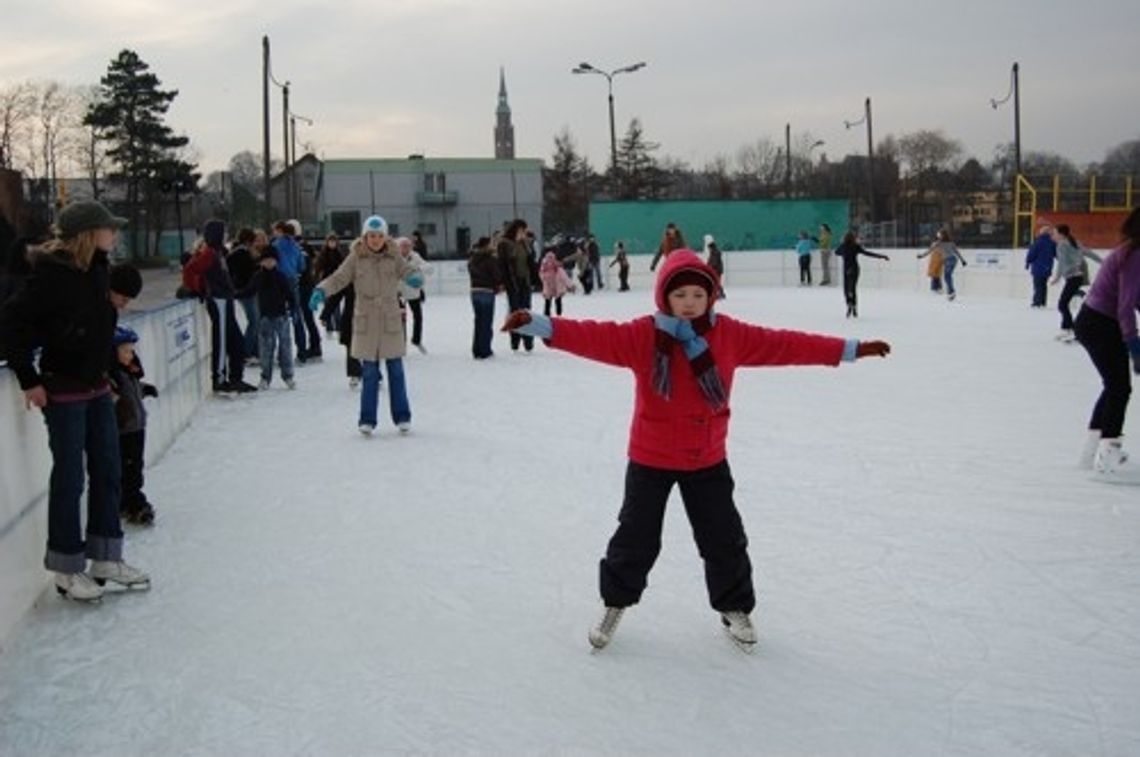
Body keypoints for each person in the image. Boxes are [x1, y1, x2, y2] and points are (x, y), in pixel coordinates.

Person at [500, 250, 891, 649]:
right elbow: (594, 335)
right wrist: (539, 324)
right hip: (651, 457)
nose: (689, 303)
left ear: (711, 297)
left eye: (698, 295)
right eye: (680, 294)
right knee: (635, 537)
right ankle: (615, 602)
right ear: (664, 297)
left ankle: (734, 608)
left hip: (706, 458)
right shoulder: (645, 335)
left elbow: (786, 344)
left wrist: (850, 348)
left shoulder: (730, 335)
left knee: (723, 537)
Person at [0, 200, 150, 601]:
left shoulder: (98, 269)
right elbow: (11, 323)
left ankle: (105, 556)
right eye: (109, 228)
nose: (115, 234)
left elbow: (100, 327)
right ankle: (67, 567)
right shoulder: (50, 278)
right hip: (62, 388)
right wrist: (28, 378)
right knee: (70, 476)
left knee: (108, 468)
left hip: (97, 386)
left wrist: (110, 373)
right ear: (88, 232)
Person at [309, 215, 423, 435]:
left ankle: (402, 416)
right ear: (365, 236)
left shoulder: (394, 255)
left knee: (396, 370)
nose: (375, 240)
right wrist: (321, 290)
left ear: (385, 237)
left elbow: (408, 271)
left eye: (380, 236)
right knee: (369, 373)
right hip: (366, 318)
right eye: (371, 236)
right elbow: (338, 278)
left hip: (389, 317)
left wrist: (414, 277)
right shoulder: (356, 257)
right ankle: (367, 419)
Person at [1073, 207, 1140, 480]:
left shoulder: (1130, 251)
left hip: (1095, 321)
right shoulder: (1135, 255)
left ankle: (1092, 452)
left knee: (1113, 385)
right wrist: (1134, 346)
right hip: (1100, 322)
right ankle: (1108, 457)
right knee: (1119, 388)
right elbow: (1125, 306)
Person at [184, 219, 255, 393]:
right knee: (222, 340)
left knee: (236, 341)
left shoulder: (218, 253)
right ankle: (219, 379)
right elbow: (190, 269)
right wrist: (198, 289)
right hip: (218, 301)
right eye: (224, 232)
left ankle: (236, 377)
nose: (226, 236)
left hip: (226, 299)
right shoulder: (209, 253)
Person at [108, 326, 158, 525]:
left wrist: (145, 389)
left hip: (136, 427)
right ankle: (134, 503)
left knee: (135, 466)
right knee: (127, 469)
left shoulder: (129, 372)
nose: (131, 355)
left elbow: (133, 391)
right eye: (126, 351)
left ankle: (127, 502)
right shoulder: (112, 376)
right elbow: (114, 399)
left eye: (132, 350)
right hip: (123, 430)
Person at [236, 247, 295, 390]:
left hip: (281, 316)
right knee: (266, 349)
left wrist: (293, 308)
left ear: (276, 261)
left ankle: (288, 376)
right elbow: (249, 290)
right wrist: (234, 293)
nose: (269, 263)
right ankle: (265, 377)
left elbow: (289, 294)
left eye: (271, 260)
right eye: (266, 260)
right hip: (265, 317)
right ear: (261, 262)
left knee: (285, 347)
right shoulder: (258, 277)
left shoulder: (281, 277)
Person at [1051, 224, 1102, 342]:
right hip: (1075, 277)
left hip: (1074, 277)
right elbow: (1087, 253)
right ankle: (1070, 328)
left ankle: (1071, 329)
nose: (1053, 236)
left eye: (1054, 233)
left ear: (1061, 234)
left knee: (1062, 304)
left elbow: (1068, 261)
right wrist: (1103, 262)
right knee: (1064, 303)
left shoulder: (1062, 245)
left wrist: (1072, 268)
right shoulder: (1072, 242)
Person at [833, 231, 890, 318]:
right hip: (855, 269)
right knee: (852, 288)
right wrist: (882, 256)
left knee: (846, 289)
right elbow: (868, 253)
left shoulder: (843, 246)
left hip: (846, 269)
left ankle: (849, 303)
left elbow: (836, 252)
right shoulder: (856, 246)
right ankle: (854, 306)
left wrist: (842, 245)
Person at [497, 219, 534, 352]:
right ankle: (515, 341)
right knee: (515, 312)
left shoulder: (525, 244)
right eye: (522, 230)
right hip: (513, 283)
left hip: (525, 281)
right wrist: (504, 283)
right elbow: (503, 265)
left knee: (527, 311)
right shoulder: (504, 244)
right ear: (515, 230)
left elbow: (531, 262)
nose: (524, 233)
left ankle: (528, 342)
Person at [226, 228, 260, 361]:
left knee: (254, 320)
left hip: (243, 290)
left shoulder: (236, 253)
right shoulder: (242, 254)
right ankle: (245, 351)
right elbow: (247, 272)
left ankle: (252, 350)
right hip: (245, 291)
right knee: (254, 321)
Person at [397, 236, 432, 353]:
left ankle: (416, 340)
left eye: (408, 246)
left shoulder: (415, 256)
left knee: (418, 316)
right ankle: (401, 343)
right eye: (403, 246)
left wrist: (417, 268)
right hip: (398, 292)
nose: (406, 249)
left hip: (413, 291)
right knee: (400, 319)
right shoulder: (394, 257)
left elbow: (429, 268)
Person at [468, 236, 501, 360]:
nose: (494, 246)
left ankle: (476, 349)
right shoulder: (490, 259)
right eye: (492, 244)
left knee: (478, 321)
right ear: (487, 245)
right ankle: (485, 350)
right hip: (487, 291)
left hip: (474, 291)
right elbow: (497, 276)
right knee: (486, 322)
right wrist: (497, 285)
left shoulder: (472, 259)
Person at [921, 229, 967, 301]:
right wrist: (962, 261)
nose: (938, 236)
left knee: (947, 276)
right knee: (948, 276)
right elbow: (957, 252)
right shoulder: (951, 243)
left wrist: (921, 256)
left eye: (939, 234)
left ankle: (951, 292)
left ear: (942, 235)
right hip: (954, 260)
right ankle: (950, 293)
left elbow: (929, 251)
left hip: (948, 260)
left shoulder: (938, 243)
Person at [315, 233, 345, 337]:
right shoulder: (323, 254)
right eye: (330, 242)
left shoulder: (339, 254)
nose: (332, 244)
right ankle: (329, 326)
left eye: (334, 242)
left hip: (336, 282)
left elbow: (343, 267)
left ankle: (338, 326)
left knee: (335, 304)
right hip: (326, 282)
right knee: (328, 304)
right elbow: (318, 267)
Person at [1025, 224, 1056, 308]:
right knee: (1044, 285)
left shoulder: (1037, 242)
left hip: (1038, 267)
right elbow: (1056, 254)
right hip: (1047, 267)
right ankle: (1042, 301)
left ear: (1041, 233)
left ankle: (1037, 302)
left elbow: (1032, 254)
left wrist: (1028, 262)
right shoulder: (1052, 243)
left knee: (1038, 285)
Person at [539, 249, 574, 316]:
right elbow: (565, 278)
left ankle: (548, 315)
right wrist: (570, 286)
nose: (550, 262)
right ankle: (558, 315)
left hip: (549, 287)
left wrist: (545, 279)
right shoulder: (557, 268)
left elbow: (541, 276)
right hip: (555, 287)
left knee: (548, 302)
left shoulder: (545, 268)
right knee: (556, 301)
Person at [704, 234, 726, 298]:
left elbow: (713, 262)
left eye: (709, 248)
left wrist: (709, 266)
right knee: (716, 282)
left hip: (716, 270)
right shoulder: (714, 252)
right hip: (717, 270)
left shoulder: (715, 252)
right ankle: (720, 293)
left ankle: (720, 293)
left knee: (716, 282)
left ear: (711, 247)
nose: (709, 249)